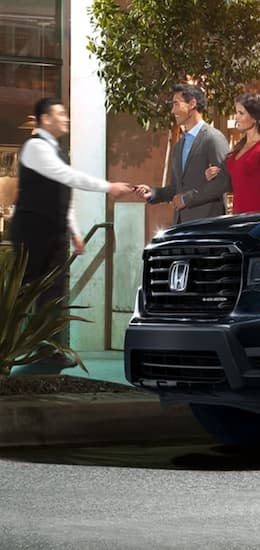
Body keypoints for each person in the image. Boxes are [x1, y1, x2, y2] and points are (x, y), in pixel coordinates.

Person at [9, 97, 133, 368]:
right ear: (44, 119)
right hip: (31, 233)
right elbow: (67, 177)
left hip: (54, 234)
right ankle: (7, 351)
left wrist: (75, 231)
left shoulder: (58, 151)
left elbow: (64, 195)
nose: (65, 118)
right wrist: (108, 187)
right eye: (60, 114)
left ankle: (50, 351)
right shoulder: (35, 148)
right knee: (22, 293)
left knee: (52, 293)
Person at [133, 84, 231, 223]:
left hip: (207, 225)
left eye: (176, 104)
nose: (173, 111)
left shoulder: (213, 138)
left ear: (192, 104)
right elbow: (176, 188)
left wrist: (186, 199)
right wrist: (154, 193)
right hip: (182, 224)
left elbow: (223, 182)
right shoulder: (179, 145)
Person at [204, 93, 260, 213]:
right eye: (236, 113)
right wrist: (213, 175)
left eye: (241, 113)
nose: (236, 118)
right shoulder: (239, 149)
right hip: (238, 214)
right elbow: (236, 182)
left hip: (258, 214)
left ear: (255, 117)